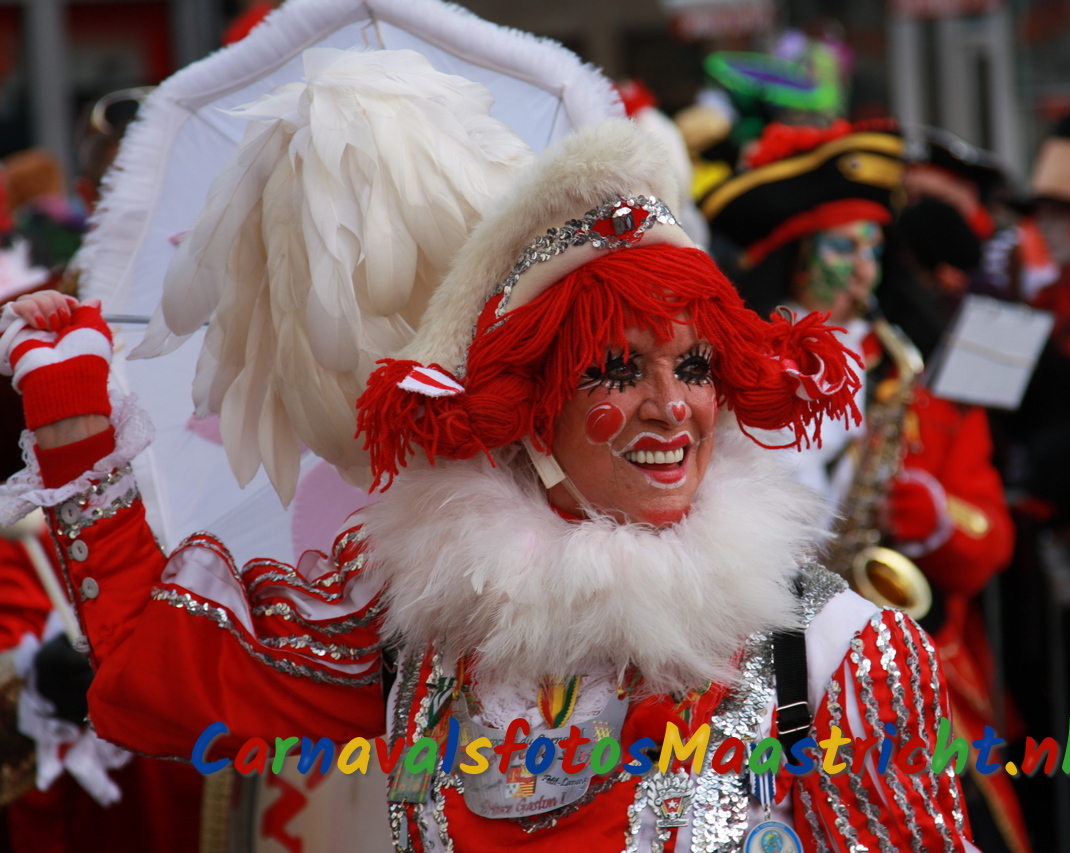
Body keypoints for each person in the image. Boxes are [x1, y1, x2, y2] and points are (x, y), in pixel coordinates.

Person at [0, 72, 977, 853]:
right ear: (527, 412)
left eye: (693, 367)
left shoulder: (835, 657)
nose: (671, 406)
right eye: (614, 369)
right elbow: (157, 676)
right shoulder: (425, 637)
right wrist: (75, 422)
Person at [702, 120, 1025, 853]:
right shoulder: (720, 374)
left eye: (874, 249)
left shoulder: (915, 379)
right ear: (796, 257)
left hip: (896, 669)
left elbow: (992, 534)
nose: (863, 270)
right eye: (843, 248)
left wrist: (940, 520)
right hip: (752, 664)